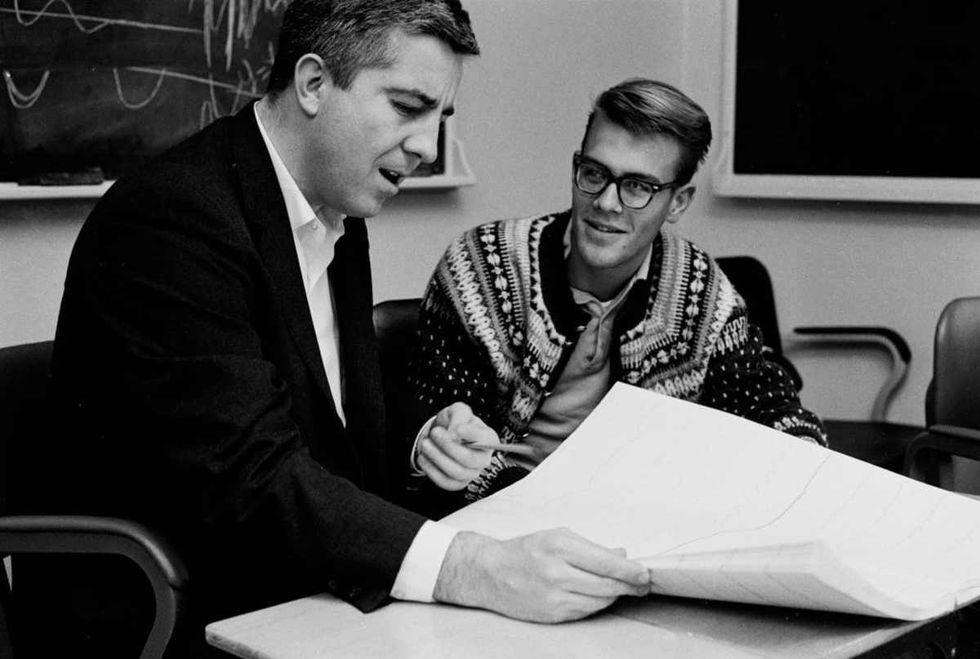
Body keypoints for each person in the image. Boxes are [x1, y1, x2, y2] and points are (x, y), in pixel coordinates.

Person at [46, 1, 649, 656]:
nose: (426, 147)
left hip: (306, 589)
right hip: (192, 613)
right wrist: (472, 567)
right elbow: (246, 478)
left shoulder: (336, 210)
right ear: (313, 84)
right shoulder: (171, 219)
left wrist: (421, 442)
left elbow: (323, 429)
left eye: (438, 119)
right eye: (407, 107)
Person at [411, 78, 827, 503]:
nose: (607, 202)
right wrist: (450, 446)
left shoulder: (701, 288)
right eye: (594, 173)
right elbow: (437, 429)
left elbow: (769, 408)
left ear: (679, 202)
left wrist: (809, 469)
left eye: (638, 186)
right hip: (503, 512)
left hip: (645, 518)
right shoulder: (481, 267)